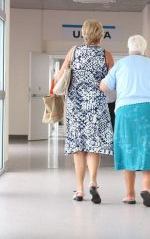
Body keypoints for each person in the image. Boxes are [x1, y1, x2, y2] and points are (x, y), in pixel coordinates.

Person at [100, 34, 150, 207]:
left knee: (128, 148)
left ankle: (129, 194)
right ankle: (146, 188)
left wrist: (105, 79)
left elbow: (104, 87)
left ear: (129, 48)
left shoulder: (120, 64)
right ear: (145, 49)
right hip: (149, 109)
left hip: (125, 111)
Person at [55, 20, 114, 204]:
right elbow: (112, 83)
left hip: (76, 105)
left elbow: (59, 77)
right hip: (96, 105)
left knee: (78, 148)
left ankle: (79, 190)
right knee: (94, 146)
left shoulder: (74, 51)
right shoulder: (106, 55)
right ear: (100, 34)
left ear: (84, 34)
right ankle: (93, 182)